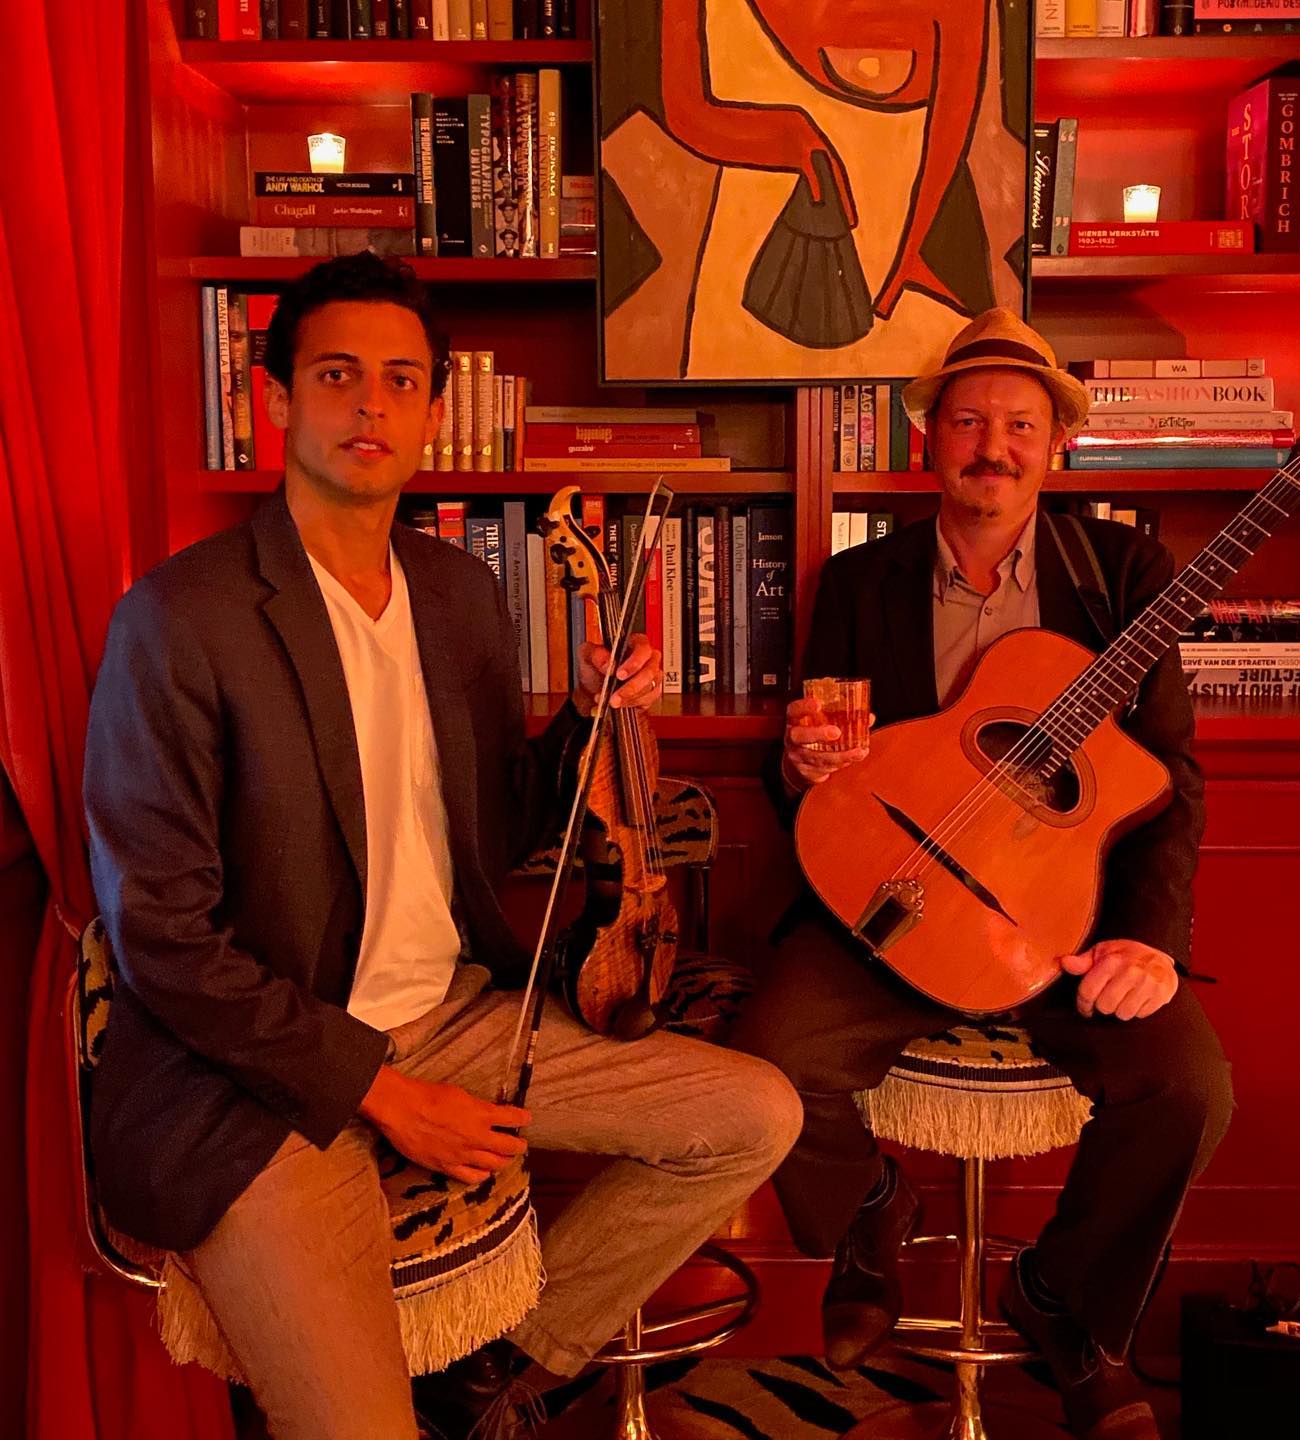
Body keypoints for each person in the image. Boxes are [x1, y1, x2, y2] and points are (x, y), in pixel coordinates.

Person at [83, 253, 802, 1440]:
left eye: (401, 381)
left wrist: (589, 715)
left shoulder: (460, 593)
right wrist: (381, 1093)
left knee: (752, 1115)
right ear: (276, 399)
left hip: (460, 1014)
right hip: (261, 1074)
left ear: (433, 408)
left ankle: (508, 1369)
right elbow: (162, 939)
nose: (372, 406)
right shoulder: (178, 620)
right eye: (338, 375)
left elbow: (509, 824)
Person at [732, 308, 1233, 1440]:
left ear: (1054, 445)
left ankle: (1068, 1310)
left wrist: (1149, 939)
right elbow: (821, 773)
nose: (990, 446)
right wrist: (800, 767)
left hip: (1061, 920)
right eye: (966, 421)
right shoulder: (859, 579)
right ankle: (870, 1213)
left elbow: (1171, 781)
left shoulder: (1121, 575)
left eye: (1018, 423)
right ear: (930, 442)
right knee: (770, 1061)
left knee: (1188, 1089)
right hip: (893, 906)